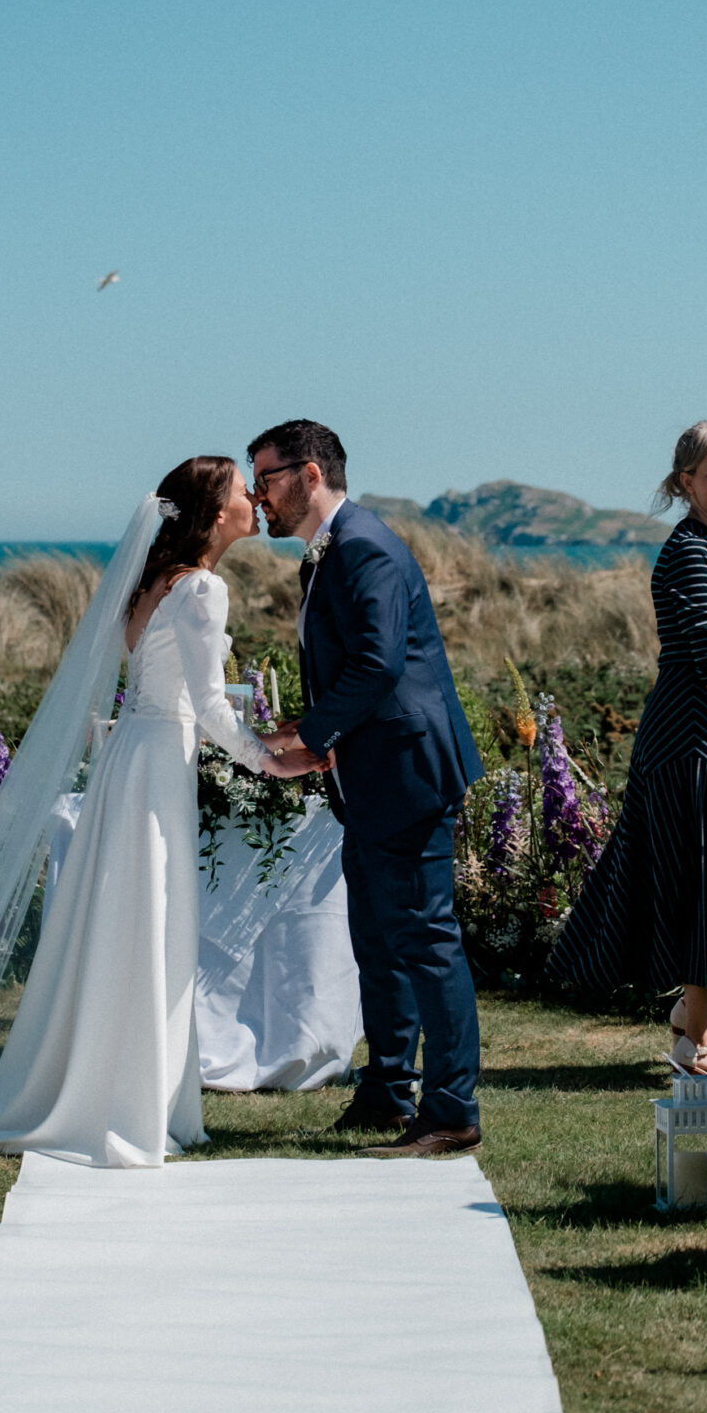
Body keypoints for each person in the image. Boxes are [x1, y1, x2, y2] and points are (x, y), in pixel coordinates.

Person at [0, 458, 326, 1168]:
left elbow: (177, 697)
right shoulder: (203, 588)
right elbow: (209, 706)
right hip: (157, 767)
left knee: (123, 923)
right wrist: (272, 761)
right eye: (241, 491)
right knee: (153, 925)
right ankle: (135, 1103)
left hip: (131, 758)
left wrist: (262, 742)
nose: (254, 499)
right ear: (215, 513)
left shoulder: (152, 584)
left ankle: (115, 1087)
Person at [247, 419, 485, 1157]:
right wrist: (306, 726)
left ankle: (452, 1111)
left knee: (426, 941)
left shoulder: (363, 546)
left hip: (407, 771)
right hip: (373, 772)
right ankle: (387, 1090)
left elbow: (380, 663)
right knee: (379, 943)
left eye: (267, 478)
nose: (258, 496)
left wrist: (314, 738)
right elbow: (356, 666)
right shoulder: (327, 555)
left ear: (310, 474)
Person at [549, 422, 707, 1076]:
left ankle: (691, 1015)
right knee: (705, 887)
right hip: (687, 744)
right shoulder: (686, 552)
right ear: (686, 483)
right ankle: (696, 1043)